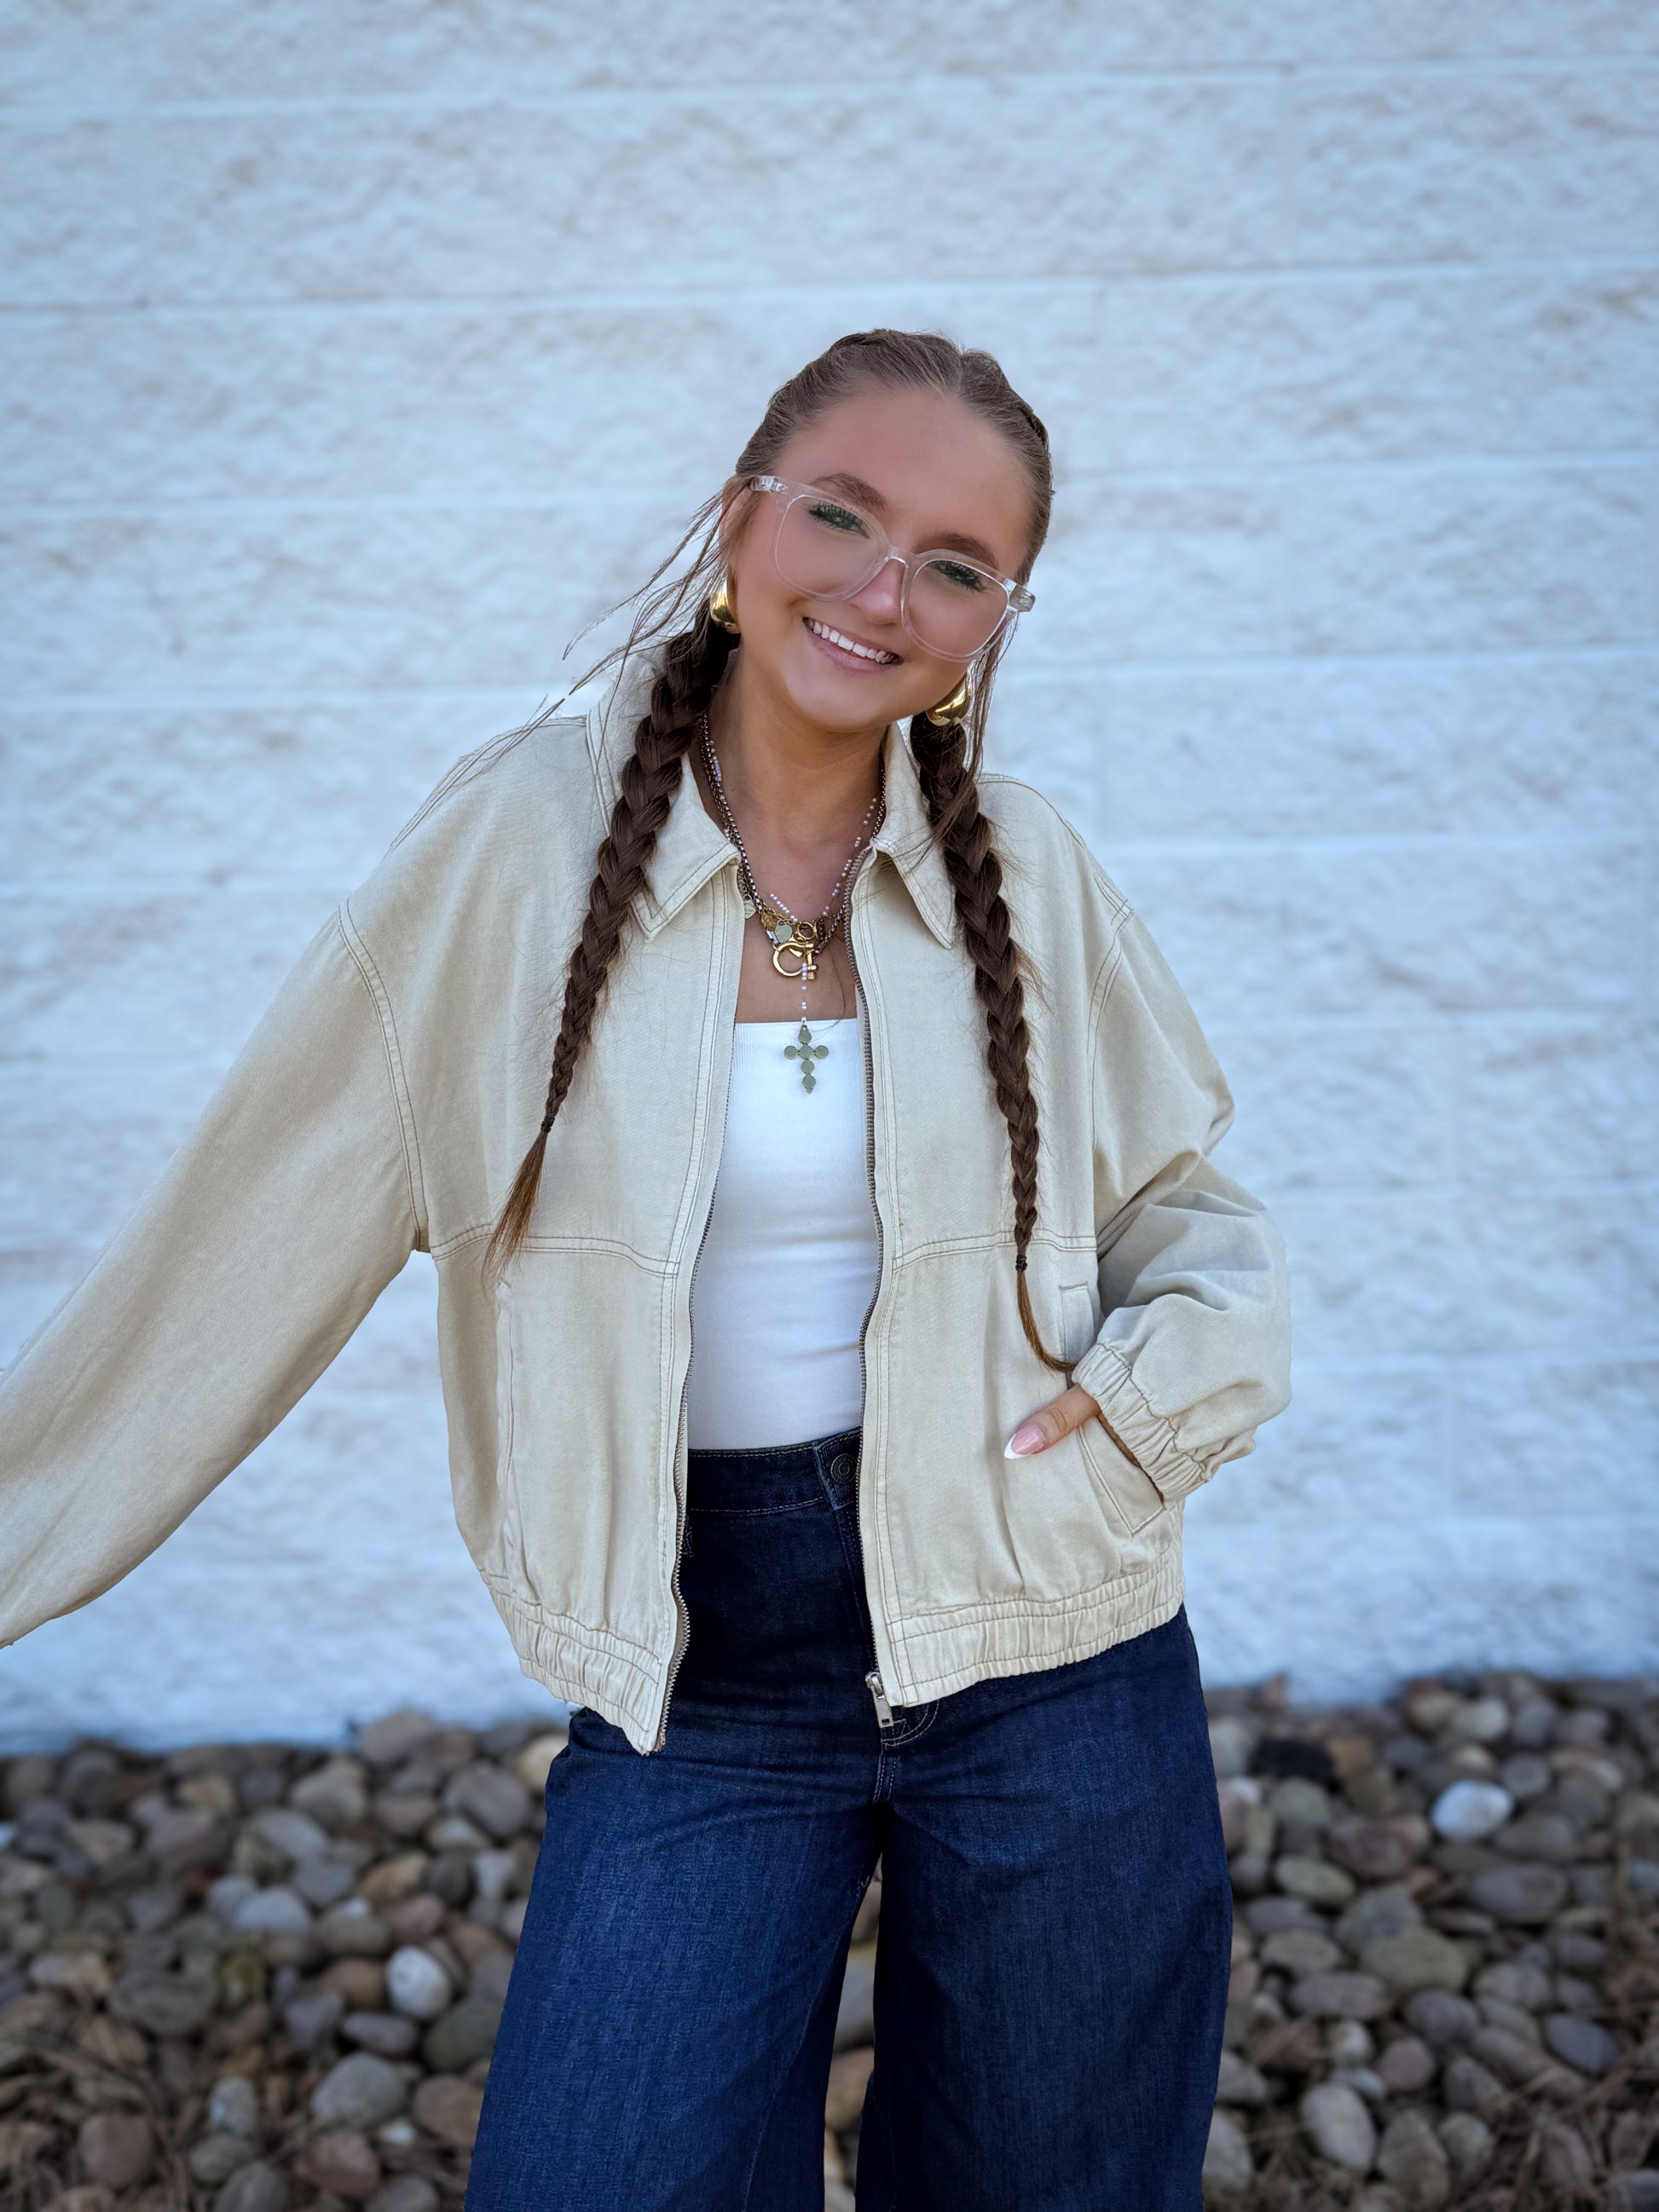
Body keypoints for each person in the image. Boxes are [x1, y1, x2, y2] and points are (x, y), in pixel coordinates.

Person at [0, 328, 1292, 2209]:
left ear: (997, 615)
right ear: (735, 517)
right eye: (841, 513)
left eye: (953, 560)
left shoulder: (1026, 864)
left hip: (1052, 1640)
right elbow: (234, 1242)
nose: (882, 585)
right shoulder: (514, 854)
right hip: (709, 1664)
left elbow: (1186, 1210)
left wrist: (1145, 1403)